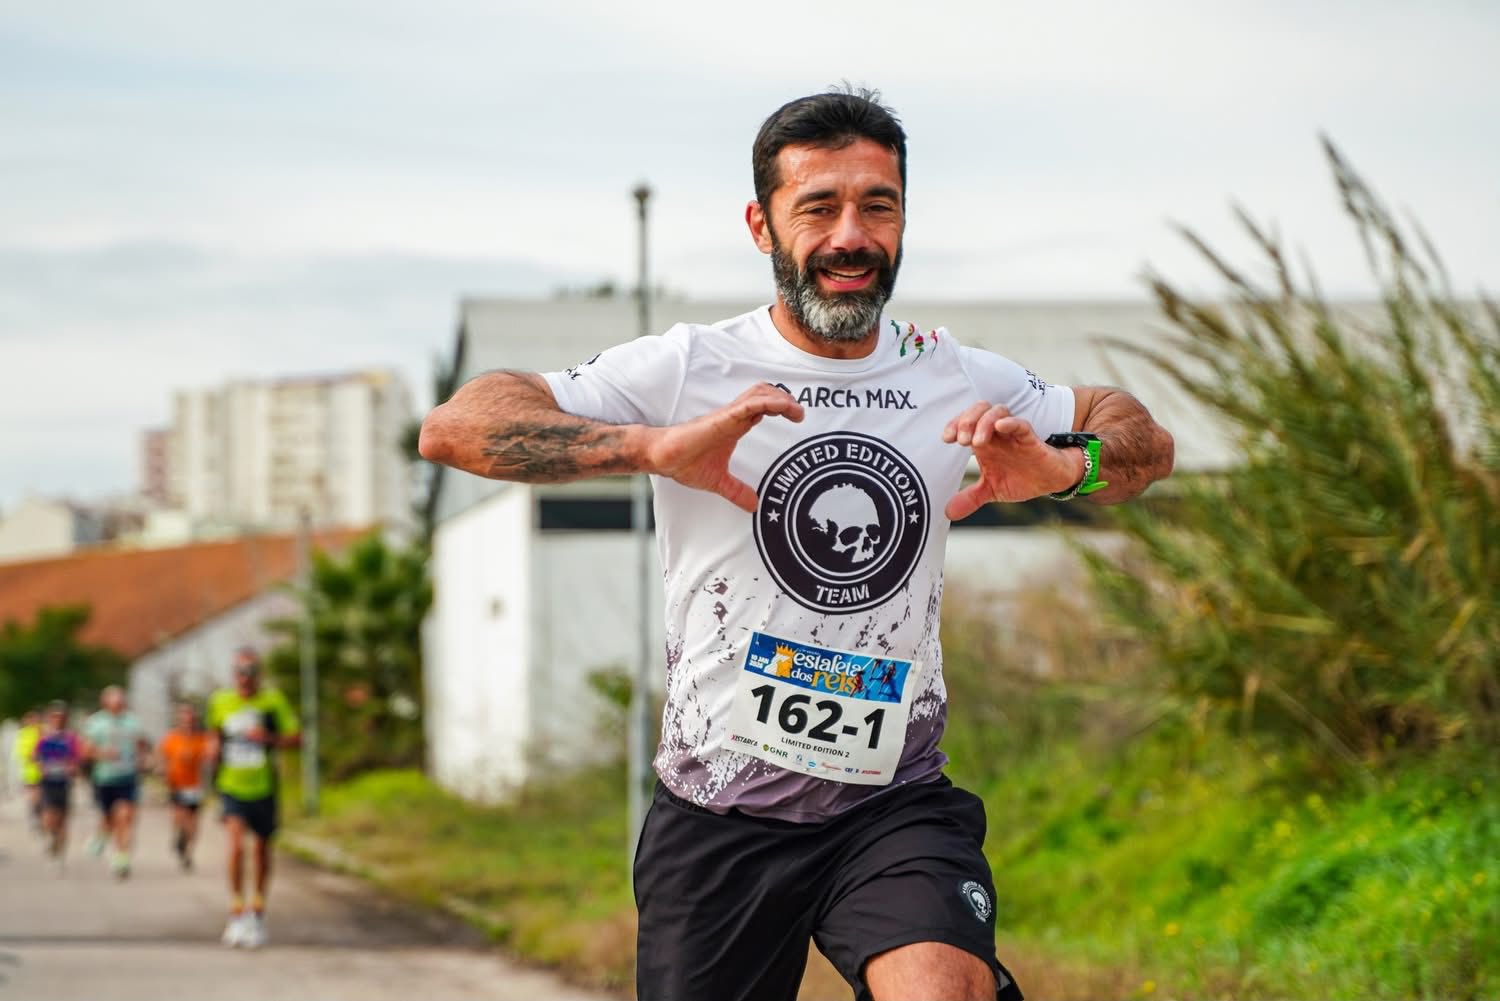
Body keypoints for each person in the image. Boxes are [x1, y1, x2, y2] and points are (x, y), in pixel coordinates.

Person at [419, 87, 1175, 1001]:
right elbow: (458, 428)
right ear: (762, 225)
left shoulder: (954, 374)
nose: (849, 235)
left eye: (877, 206)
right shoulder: (692, 368)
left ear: (902, 222)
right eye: (818, 207)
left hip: (891, 802)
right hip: (719, 816)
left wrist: (1066, 468)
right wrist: (648, 447)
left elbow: (1142, 440)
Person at [206, 648, 299, 949]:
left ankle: (256, 911)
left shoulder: (273, 702)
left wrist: (269, 738)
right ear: (233, 676)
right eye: (239, 672)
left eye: (250, 672)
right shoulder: (221, 701)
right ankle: (236, 911)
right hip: (231, 785)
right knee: (235, 846)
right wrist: (211, 750)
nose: (245, 679)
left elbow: (297, 738)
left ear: (259, 675)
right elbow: (214, 734)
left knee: (260, 849)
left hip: (263, 786)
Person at [81, 685, 151, 879]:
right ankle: (101, 836)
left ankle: (121, 857)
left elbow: (142, 745)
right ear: (105, 702)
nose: (118, 703)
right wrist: (103, 754)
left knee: (125, 816)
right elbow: (86, 751)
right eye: (114, 700)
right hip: (104, 778)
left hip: (128, 777)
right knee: (109, 818)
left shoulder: (133, 722)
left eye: (121, 700)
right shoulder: (96, 722)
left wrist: (143, 758)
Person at [157, 702, 211, 870]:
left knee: (194, 820)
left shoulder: (202, 738)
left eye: (190, 717)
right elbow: (162, 758)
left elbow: (208, 758)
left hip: (195, 785)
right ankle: (180, 836)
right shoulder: (171, 738)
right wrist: (163, 772)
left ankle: (188, 852)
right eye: (184, 717)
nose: (187, 721)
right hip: (176, 784)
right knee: (180, 817)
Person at [33, 701, 83, 868]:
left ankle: (60, 852)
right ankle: (52, 837)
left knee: (62, 818)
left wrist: (73, 767)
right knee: (48, 817)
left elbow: (77, 758)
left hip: (64, 782)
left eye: (60, 717)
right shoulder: (44, 737)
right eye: (54, 716)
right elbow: (35, 756)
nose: (57, 719)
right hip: (48, 782)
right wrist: (40, 765)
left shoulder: (70, 738)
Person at [12, 709, 43, 834]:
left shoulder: (42, 731)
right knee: (35, 797)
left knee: (41, 796)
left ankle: (39, 815)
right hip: (31, 771)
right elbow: (22, 752)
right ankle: (36, 816)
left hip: (44, 770)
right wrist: (33, 757)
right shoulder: (24, 734)